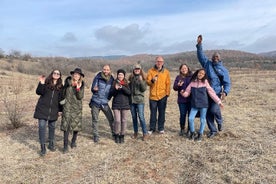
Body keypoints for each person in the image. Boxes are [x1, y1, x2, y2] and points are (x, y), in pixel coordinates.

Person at [196, 35, 231, 138]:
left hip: (216, 92)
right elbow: (200, 55)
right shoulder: (207, 64)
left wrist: (225, 92)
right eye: (214, 56)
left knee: (214, 110)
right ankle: (213, 130)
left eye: (217, 57)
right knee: (207, 112)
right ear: (211, 58)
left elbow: (227, 83)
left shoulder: (223, 70)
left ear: (220, 59)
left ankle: (220, 121)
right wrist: (199, 45)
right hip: (206, 92)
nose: (215, 58)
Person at [181, 68, 223, 142]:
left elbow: (212, 93)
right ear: (197, 73)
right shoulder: (192, 82)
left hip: (203, 105)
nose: (201, 74)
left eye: (203, 74)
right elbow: (187, 92)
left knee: (202, 120)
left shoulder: (205, 82)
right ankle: (193, 133)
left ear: (204, 75)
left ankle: (200, 134)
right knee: (190, 118)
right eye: (200, 73)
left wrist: (219, 102)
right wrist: (183, 93)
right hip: (194, 105)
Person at [33, 69, 63, 156]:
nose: (56, 74)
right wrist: (41, 83)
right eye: (55, 73)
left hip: (54, 110)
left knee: (52, 127)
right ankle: (42, 146)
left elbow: (61, 99)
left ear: (60, 76)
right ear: (52, 74)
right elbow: (38, 92)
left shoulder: (61, 86)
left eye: (58, 74)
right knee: (42, 127)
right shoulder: (46, 83)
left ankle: (51, 144)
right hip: (42, 109)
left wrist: (60, 110)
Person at [60, 68, 85, 153]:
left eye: (78, 74)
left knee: (75, 126)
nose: (76, 75)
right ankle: (65, 146)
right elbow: (62, 93)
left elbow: (80, 97)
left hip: (76, 108)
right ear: (72, 75)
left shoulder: (81, 84)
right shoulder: (67, 82)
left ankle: (73, 141)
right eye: (75, 74)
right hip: (67, 107)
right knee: (66, 126)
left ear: (80, 76)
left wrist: (78, 89)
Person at [89, 64, 115, 143]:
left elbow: (111, 91)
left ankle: (114, 134)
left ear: (110, 70)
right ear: (102, 70)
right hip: (95, 102)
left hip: (104, 102)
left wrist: (108, 99)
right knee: (95, 120)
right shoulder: (97, 77)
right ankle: (96, 135)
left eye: (107, 69)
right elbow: (92, 89)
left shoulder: (112, 79)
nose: (106, 71)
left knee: (111, 119)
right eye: (104, 69)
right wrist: (94, 89)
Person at [146, 56, 171, 134]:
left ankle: (161, 128)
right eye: (158, 61)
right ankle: (152, 128)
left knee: (162, 112)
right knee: (153, 113)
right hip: (153, 96)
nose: (159, 63)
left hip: (162, 95)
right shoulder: (151, 71)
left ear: (163, 62)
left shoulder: (166, 72)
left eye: (160, 61)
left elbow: (168, 84)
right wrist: (152, 80)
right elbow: (147, 82)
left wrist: (167, 94)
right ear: (155, 62)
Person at [108, 69, 131, 144]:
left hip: (125, 104)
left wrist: (122, 87)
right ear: (117, 75)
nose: (120, 76)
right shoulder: (114, 83)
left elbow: (129, 93)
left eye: (122, 75)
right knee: (117, 121)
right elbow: (111, 94)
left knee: (124, 121)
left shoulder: (127, 83)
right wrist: (115, 89)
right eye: (119, 74)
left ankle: (122, 135)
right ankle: (116, 134)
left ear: (124, 76)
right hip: (116, 104)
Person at [128, 63, 149, 141]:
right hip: (132, 101)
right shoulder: (131, 78)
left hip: (140, 100)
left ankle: (145, 133)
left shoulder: (143, 78)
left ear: (140, 70)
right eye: (135, 69)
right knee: (134, 117)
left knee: (141, 117)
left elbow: (143, 89)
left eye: (138, 69)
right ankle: (135, 132)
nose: (137, 70)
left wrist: (141, 81)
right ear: (133, 70)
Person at [173, 64, 193, 136]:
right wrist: (178, 85)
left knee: (190, 115)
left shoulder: (192, 77)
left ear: (188, 69)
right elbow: (174, 88)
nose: (184, 69)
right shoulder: (178, 77)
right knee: (183, 114)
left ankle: (189, 129)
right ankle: (182, 128)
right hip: (182, 100)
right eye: (182, 68)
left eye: (185, 68)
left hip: (191, 100)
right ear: (180, 70)